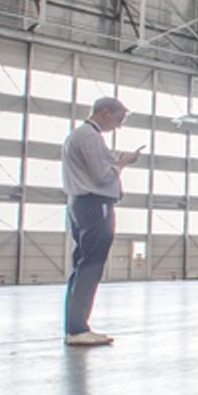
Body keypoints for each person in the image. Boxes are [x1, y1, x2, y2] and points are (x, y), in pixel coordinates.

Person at [61, 96, 139, 345]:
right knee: (92, 264)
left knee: (82, 264)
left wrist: (119, 157)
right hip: (95, 204)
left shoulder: (80, 136)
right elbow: (102, 175)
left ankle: (74, 325)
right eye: (118, 119)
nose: (118, 126)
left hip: (80, 204)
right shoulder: (90, 136)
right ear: (104, 112)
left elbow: (101, 160)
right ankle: (78, 328)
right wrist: (122, 164)